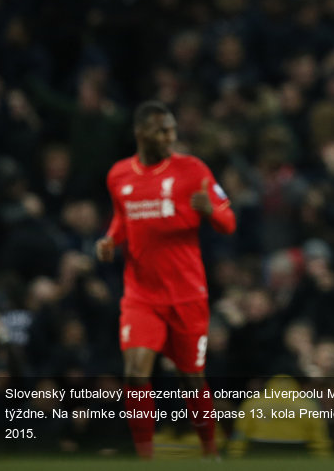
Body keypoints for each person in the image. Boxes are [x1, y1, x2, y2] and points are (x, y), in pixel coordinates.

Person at [95, 100, 236, 459]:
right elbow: (123, 219)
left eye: (172, 129)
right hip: (141, 295)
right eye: (162, 130)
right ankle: (146, 457)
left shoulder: (193, 170)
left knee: (192, 379)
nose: (170, 136)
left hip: (187, 295)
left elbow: (228, 220)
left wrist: (212, 214)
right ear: (141, 133)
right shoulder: (118, 176)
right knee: (135, 374)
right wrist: (111, 239)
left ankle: (209, 451)